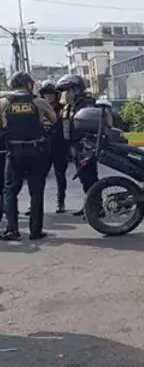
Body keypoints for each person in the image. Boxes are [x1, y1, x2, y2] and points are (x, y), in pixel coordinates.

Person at [0, 71, 57, 241]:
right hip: (36, 151)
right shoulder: (38, 102)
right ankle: (35, 231)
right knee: (36, 192)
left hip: (14, 152)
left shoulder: (3, 103)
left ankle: (12, 230)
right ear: (28, 84)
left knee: (10, 191)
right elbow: (53, 119)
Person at [55, 74, 99, 215]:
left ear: (77, 89)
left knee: (90, 178)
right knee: (83, 179)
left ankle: (97, 208)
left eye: (68, 90)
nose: (65, 94)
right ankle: (89, 205)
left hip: (86, 146)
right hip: (74, 147)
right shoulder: (69, 105)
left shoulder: (87, 103)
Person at [40, 81, 67, 213]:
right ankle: (35, 205)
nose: (49, 97)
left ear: (56, 95)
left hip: (59, 146)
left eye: (51, 94)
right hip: (43, 147)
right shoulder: (38, 108)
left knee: (60, 175)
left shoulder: (63, 108)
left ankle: (60, 202)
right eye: (46, 94)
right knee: (39, 177)